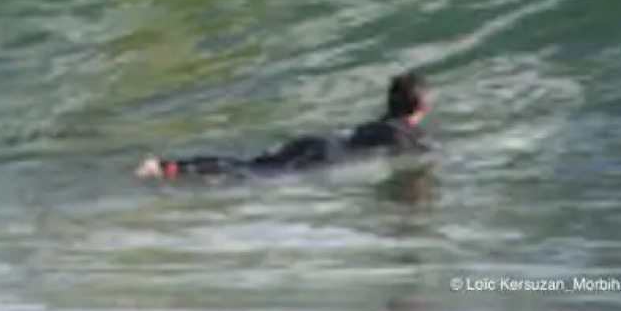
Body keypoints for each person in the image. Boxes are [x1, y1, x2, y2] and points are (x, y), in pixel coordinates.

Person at [135, 70, 434, 180]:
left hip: (319, 142)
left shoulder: (376, 125)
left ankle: (170, 165)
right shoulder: (408, 134)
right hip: (327, 156)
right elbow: (425, 155)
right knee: (253, 173)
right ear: (421, 107)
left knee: (250, 165)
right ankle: (169, 169)